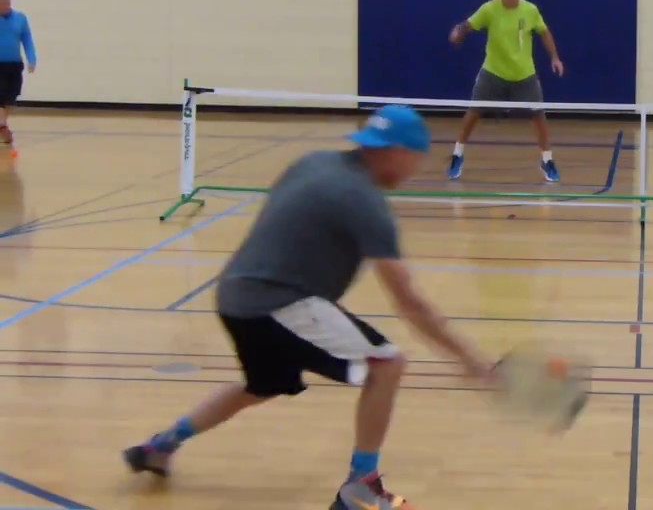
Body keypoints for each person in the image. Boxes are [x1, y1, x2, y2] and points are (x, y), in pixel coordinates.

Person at [123, 105, 495, 510]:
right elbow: (409, 301)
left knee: (262, 385)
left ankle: (160, 446)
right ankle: (361, 486)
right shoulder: (365, 201)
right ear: (397, 152)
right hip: (279, 302)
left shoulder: (313, 163)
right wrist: (470, 361)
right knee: (386, 364)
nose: (415, 170)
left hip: (233, 295)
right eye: (416, 159)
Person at [447, 0, 565, 182]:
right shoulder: (489, 9)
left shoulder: (530, 10)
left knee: (538, 117)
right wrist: (458, 33)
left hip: (524, 74)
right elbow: (468, 25)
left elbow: (544, 32)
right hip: (493, 72)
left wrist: (555, 57)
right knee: (473, 113)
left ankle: (547, 159)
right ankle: (457, 154)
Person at [0, 0, 37, 149]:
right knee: (0, 96)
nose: (4, 2)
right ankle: (2, 126)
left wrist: (32, 58)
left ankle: (2, 123)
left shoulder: (20, 18)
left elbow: (27, 39)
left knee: (10, 98)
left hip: (14, 64)